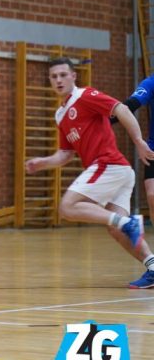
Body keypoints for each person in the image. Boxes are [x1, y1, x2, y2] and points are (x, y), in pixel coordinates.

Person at [26, 58, 154, 286]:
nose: (58, 80)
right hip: (119, 171)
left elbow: (121, 109)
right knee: (115, 229)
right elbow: (65, 154)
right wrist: (42, 163)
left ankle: (129, 223)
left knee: (67, 207)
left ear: (74, 76)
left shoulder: (85, 96)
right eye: (54, 76)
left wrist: (139, 141)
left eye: (63, 75)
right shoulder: (60, 114)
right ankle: (153, 266)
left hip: (109, 165)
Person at [77, 68, 154, 289]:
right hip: (153, 150)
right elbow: (130, 105)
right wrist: (99, 123)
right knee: (152, 194)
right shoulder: (151, 83)